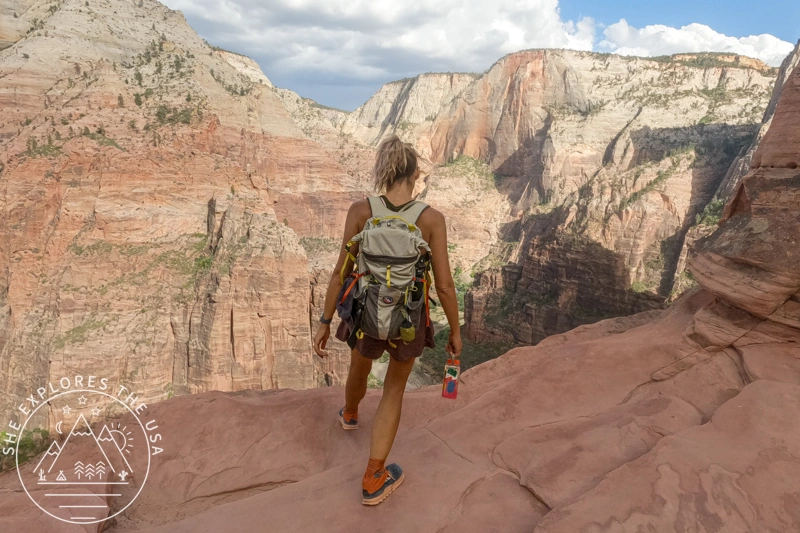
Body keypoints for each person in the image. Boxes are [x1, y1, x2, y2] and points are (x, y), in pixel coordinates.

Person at [313, 135, 462, 505]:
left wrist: (325, 320)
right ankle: (374, 476)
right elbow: (444, 285)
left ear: (385, 172)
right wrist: (456, 332)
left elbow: (339, 272)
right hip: (408, 319)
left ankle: (350, 413)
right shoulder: (431, 219)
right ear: (415, 175)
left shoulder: (361, 211)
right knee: (394, 389)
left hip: (365, 313)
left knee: (358, 368)